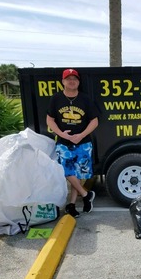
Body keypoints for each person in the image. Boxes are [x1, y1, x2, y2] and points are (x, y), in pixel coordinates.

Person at [46, 68, 101, 217]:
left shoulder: (85, 99)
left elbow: (94, 121)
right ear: (63, 81)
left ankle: (71, 205)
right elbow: (50, 120)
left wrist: (81, 135)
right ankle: (85, 194)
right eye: (68, 79)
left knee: (78, 173)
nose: (72, 81)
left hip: (83, 142)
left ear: (78, 82)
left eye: (75, 79)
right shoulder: (56, 99)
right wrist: (61, 134)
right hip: (64, 142)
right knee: (65, 169)